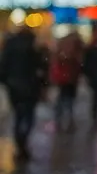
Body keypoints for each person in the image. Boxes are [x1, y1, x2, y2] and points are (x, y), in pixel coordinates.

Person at [0, 25, 48, 163]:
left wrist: (6, 81)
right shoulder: (34, 47)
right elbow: (41, 67)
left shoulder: (10, 46)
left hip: (14, 86)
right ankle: (23, 140)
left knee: (18, 115)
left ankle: (20, 141)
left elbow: (4, 66)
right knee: (28, 115)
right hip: (30, 86)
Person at [50, 31, 85, 132]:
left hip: (65, 78)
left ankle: (61, 120)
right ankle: (67, 121)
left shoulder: (63, 50)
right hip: (70, 79)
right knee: (68, 100)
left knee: (63, 99)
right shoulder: (74, 52)